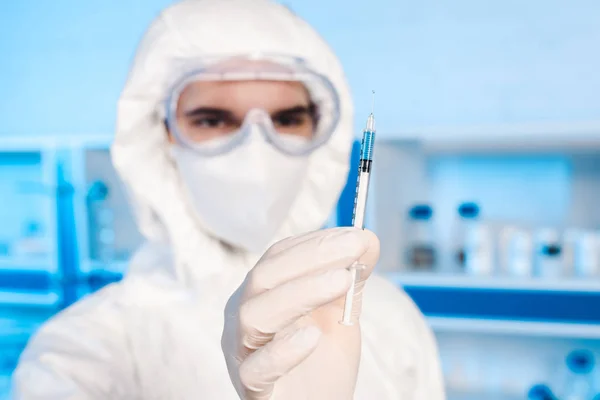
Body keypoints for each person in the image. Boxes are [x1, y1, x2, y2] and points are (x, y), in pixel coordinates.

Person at [13, 0, 445, 398]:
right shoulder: (78, 355)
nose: (255, 150)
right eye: (214, 119)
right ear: (160, 135)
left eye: (287, 118)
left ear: (322, 134)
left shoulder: (389, 316)